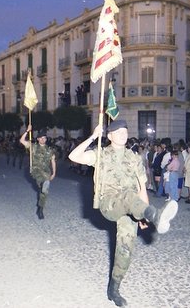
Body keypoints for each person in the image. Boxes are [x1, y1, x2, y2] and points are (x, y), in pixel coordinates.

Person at [68, 120, 178, 307]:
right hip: (109, 203)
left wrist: (144, 213)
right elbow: (74, 156)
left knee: (126, 249)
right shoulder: (101, 154)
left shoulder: (134, 158)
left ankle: (114, 289)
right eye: (118, 132)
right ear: (109, 136)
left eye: (125, 131)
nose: (123, 134)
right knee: (127, 195)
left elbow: (141, 187)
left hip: (131, 206)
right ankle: (156, 215)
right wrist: (93, 137)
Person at [20, 125, 56, 220]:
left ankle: (40, 208)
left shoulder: (50, 150)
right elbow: (22, 141)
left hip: (46, 172)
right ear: (38, 139)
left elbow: (53, 161)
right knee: (45, 184)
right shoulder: (33, 147)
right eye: (41, 138)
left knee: (44, 191)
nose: (43, 140)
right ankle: (43, 186)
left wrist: (54, 173)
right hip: (36, 170)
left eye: (44, 138)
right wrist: (27, 131)